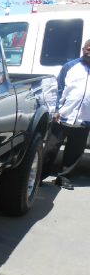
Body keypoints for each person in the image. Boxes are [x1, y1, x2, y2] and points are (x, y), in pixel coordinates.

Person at [42, 39, 90, 190]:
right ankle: (39, 175)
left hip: (85, 119)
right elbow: (58, 89)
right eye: (89, 48)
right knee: (50, 148)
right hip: (62, 116)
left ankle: (63, 177)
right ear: (83, 49)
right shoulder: (70, 66)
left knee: (75, 151)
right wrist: (56, 110)